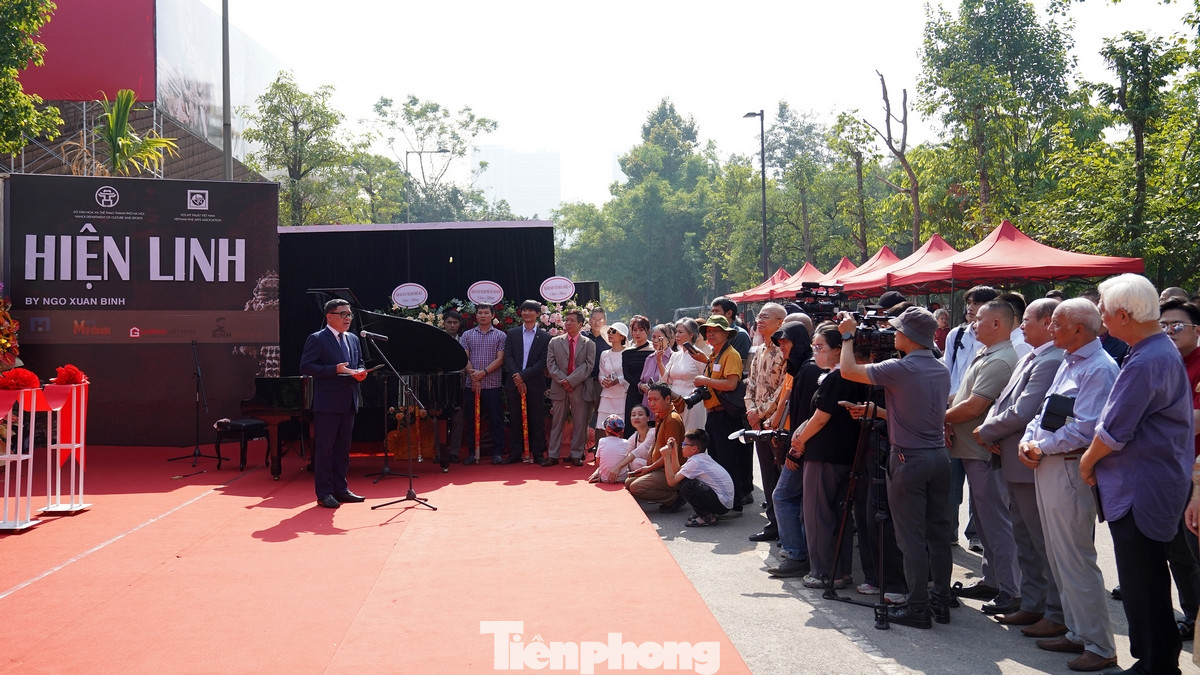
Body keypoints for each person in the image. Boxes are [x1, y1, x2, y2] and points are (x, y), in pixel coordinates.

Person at [1080, 274, 1194, 675]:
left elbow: (1115, 430)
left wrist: (1087, 462)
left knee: (1142, 581)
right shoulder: (1153, 350)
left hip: (1141, 487)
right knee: (1145, 579)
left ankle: (1155, 665)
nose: (1102, 319)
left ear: (1124, 315)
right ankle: (1156, 660)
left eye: (1104, 312)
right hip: (1148, 481)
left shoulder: (1149, 358)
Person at [1017, 298, 1119, 671]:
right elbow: (1047, 412)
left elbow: (1086, 429)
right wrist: (1028, 440)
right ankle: (1077, 632)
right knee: (1060, 557)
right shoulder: (1071, 361)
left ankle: (1099, 645)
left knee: (1075, 558)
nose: (1050, 329)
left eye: (1056, 323)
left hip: (1069, 467)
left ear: (1078, 328)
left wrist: (1038, 446)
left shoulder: (1099, 368)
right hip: (1050, 464)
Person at [837, 306, 953, 629]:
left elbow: (848, 370)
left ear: (910, 336)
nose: (893, 335)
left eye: (898, 330)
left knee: (910, 538)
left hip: (908, 460)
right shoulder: (940, 369)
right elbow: (917, 414)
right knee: (938, 535)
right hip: (938, 457)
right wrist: (880, 412)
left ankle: (918, 607)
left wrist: (847, 336)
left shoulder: (900, 368)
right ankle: (940, 601)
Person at [974, 298, 1066, 631]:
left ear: (1048, 322)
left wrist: (986, 430)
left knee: (1041, 543)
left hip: (1030, 462)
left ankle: (1054, 613)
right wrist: (992, 429)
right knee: (1024, 539)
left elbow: (1024, 411)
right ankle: (1032, 604)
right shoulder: (1031, 355)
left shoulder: (1051, 360)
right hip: (1012, 457)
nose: (1021, 325)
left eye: (1027, 319)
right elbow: (1004, 402)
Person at [944, 300, 1020, 616]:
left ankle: (1012, 590)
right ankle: (993, 580)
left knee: (996, 523)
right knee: (986, 523)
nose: (973, 323)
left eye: (980, 319)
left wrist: (939, 419)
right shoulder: (988, 354)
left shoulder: (1001, 359)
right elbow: (962, 397)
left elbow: (974, 407)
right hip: (973, 451)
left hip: (983, 452)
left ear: (998, 324)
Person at [789, 323, 873, 590]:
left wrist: (799, 441)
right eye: (814, 347)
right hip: (846, 453)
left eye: (820, 347)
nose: (815, 352)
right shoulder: (855, 375)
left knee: (818, 516)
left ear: (839, 350)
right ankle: (840, 571)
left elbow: (820, 418)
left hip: (824, 454)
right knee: (840, 515)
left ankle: (824, 572)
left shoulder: (838, 377)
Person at [766, 320, 823, 579]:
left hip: (805, 447)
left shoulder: (809, 370)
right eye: (779, 343)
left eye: (786, 342)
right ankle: (799, 551)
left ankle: (797, 554)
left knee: (782, 496)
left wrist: (796, 449)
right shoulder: (801, 367)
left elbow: (810, 415)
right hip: (802, 445)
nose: (782, 347)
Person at [299, 299, 368, 509]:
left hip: (349, 401)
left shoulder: (353, 339)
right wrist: (333, 369)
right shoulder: (317, 338)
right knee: (324, 450)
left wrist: (360, 372)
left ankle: (341, 489)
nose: (348, 318)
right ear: (330, 317)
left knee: (343, 450)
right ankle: (324, 493)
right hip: (327, 404)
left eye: (349, 314)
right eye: (343, 314)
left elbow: (359, 362)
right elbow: (306, 366)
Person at [1158, 299, 1200, 642]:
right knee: (1177, 550)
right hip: (1166, 470)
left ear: (1196, 330)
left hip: (1194, 472)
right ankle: (1192, 615)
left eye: (1176, 326)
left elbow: (1195, 422)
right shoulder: (1164, 364)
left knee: (1193, 547)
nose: (1169, 331)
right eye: (1163, 326)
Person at [693, 315, 747, 512]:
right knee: (717, 460)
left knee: (728, 461)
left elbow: (731, 384)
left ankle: (735, 504)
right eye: (708, 331)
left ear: (726, 333)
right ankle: (723, 502)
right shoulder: (715, 355)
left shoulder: (730, 354)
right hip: (714, 414)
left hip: (726, 415)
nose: (711, 334)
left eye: (715, 330)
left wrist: (705, 381)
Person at [744, 303, 788, 542]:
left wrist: (759, 414)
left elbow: (782, 390)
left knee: (782, 475)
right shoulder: (760, 349)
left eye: (765, 317)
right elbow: (750, 383)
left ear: (780, 322)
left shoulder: (784, 350)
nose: (759, 320)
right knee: (768, 475)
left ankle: (787, 529)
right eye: (759, 316)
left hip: (775, 422)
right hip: (757, 422)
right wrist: (751, 411)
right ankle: (773, 524)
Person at [546, 308, 596, 467]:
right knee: (557, 422)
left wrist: (571, 380)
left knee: (580, 422)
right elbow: (551, 364)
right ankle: (553, 455)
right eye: (566, 320)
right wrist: (563, 380)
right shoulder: (554, 342)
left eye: (572, 320)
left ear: (580, 324)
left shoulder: (589, 344)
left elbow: (588, 366)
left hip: (579, 387)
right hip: (559, 386)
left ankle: (576, 455)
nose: (567, 323)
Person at [503, 300, 551, 464]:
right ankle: (515, 453)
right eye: (524, 310)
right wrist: (517, 377)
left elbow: (542, 361)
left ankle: (538, 453)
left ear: (538, 314)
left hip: (534, 383)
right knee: (515, 418)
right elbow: (508, 357)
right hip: (514, 382)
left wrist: (523, 376)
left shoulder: (545, 337)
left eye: (531, 310)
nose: (527, 313)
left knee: (537, 419)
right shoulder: (512, 333)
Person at [626, 383, 687, 511]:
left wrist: (649, 468)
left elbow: (670, 453)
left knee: (636, 486)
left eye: (655, 399)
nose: (652, 403)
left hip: (670, 471)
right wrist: (649, 461)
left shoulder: (672, 419)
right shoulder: (660, 414)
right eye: (649, 399)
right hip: (659, 468)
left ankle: (675, 498)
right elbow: (656, 441)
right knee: (628, 482)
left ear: (667, 399)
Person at [460, 304, 507, 465]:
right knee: (472, 420)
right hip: (472, 385)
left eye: (486, 313)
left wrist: (483, 373)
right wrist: (474, 377)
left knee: (495, 419)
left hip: (492, 385)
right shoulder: (467, 335)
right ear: (476, 316)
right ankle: (473, 452)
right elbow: (464, 358)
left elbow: (500, 359)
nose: (482, 315)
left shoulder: (500, 335)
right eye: (480, 313)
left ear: (493, 315)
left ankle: (498, 453)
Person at [661, 429, 735, 527]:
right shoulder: (699, 458)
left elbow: (671, 481)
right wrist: (674, 452)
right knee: (684, 480)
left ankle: (707, 517)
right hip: (724, 502)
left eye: (684, 444)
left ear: (694, 449)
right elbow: (677, 472)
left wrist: (666, 457)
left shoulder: (696, 462)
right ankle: (706, 513)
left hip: (722, 505)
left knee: (687, 485)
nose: (682, 447)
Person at [434, 309, 466, 466]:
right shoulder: (437, 340)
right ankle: (439, 452)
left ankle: (453, 452)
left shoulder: (464, 340)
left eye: (455, 323)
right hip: (440, 384)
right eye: (449, 322)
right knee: (437, 419)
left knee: (458, 419)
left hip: (459, 383)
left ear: (459, 324)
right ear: (444, 323)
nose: (452, 325)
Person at [665, 318, 708, 433]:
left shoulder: (698, 354)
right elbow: (665, 379)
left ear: (691, 334)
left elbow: (706, 378)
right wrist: (659, 361)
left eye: (680, 332)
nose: (677, 335)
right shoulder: (675, 355)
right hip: (675, 401)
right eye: (676, 332)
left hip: (692, 403)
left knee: (692, 435)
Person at [581, 307, 610, 452]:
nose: (597, 322)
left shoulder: (609, 338)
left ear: (605, 321)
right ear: (589, 320)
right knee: (582, 416)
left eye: (600, 319)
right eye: (594, 319)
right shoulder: (583, 337)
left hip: (602, 384)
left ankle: (599, 448)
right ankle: (579, 449)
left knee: (601, 416)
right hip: (584, 381)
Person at [621, 315, 654, 436]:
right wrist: (640, 385)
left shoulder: (654, 351)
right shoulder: (627, 352)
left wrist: (649, 387)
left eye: (641, 330)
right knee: (632, 424)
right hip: (634, 391)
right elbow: (627, 375)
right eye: (635, 330)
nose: (638, 333)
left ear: (648, 331)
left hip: (651, 391)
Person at [636, 323, 675, 419]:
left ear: (668, 339)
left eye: (659, 338)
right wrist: (642, 386)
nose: (656, 340)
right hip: (648, 405)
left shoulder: (674, 357)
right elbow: (641, 381)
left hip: (664, 407)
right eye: (653, 337)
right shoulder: (649, 358)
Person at [608, 404, 655, 480]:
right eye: (633, 415)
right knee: (626, 461)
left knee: (635, 462)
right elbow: (623, 454)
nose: (636, 417)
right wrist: (600, 471)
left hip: (655, 467)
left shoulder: (652, 433)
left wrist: (617, 467)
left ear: (648, 418)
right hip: (641, 468)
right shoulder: (635, 436)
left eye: (640, 414)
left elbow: (637, 452)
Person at [595, 322, 628, 429]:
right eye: (609, 331)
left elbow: (630, 374)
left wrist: (618, 380)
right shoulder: (604, 354)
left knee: (621, 426)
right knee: (604, 426)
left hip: (622, 394)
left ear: (622, 336)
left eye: (614, 332)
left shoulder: (628, 353)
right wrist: (603, 381)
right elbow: (601, 374)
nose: (610, 334)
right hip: (607, 394)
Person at [589, 415, 629, 484]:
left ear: (605, 430)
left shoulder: (602, 441)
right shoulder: (626, 442)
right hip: (622, 478)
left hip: (604, 478)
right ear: (622, 431)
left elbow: (598, 460)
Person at [711, 296, 752, 363]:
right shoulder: (715, 334)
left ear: (729, 313)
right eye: (712, 311)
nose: (713, 315)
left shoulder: (740, 335)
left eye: (717, 311)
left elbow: (735, 364)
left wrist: (705, 360)